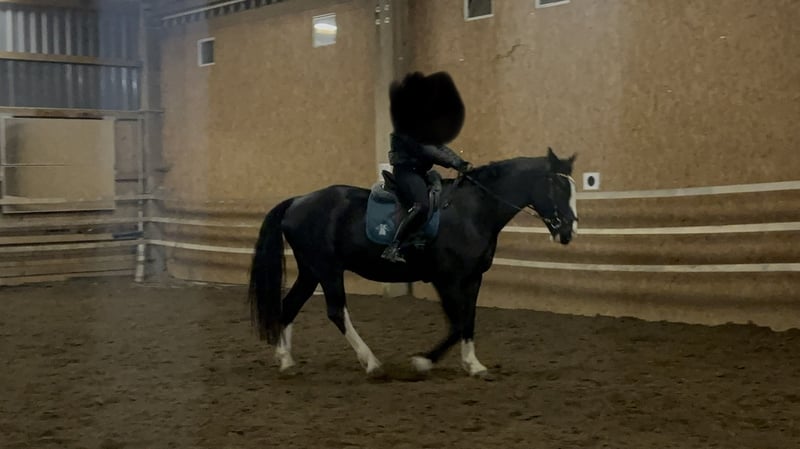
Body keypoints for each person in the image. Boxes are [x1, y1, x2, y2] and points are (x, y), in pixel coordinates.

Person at [381, 72, 472, 263]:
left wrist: (461, 162)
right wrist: (455, 163)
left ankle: (423, 236)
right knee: (421, 205)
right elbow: (427, 150)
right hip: (407, 173)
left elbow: (439, 147)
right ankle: (394, 247)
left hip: (421, 173)